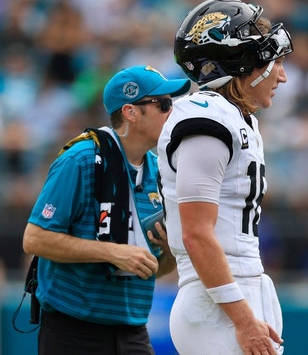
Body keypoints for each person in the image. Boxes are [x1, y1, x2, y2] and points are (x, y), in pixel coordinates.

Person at [22, 64, 189, 354]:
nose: (171, 112)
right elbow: (35, 239)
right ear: (131, 112)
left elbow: (149, 268)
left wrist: (170, 252)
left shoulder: (160, 171)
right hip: (73, 328)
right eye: (163, 104)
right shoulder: (81, 158)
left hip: (132, 328)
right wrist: (112, 252)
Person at [158, 0, 293, 355]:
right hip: (217, 301)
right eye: (274, 61)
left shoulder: (236, 117)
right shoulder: (207, 119)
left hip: (239, 289)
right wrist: (243, 319)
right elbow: (197, 233)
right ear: (243, 61)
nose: (281, 74)